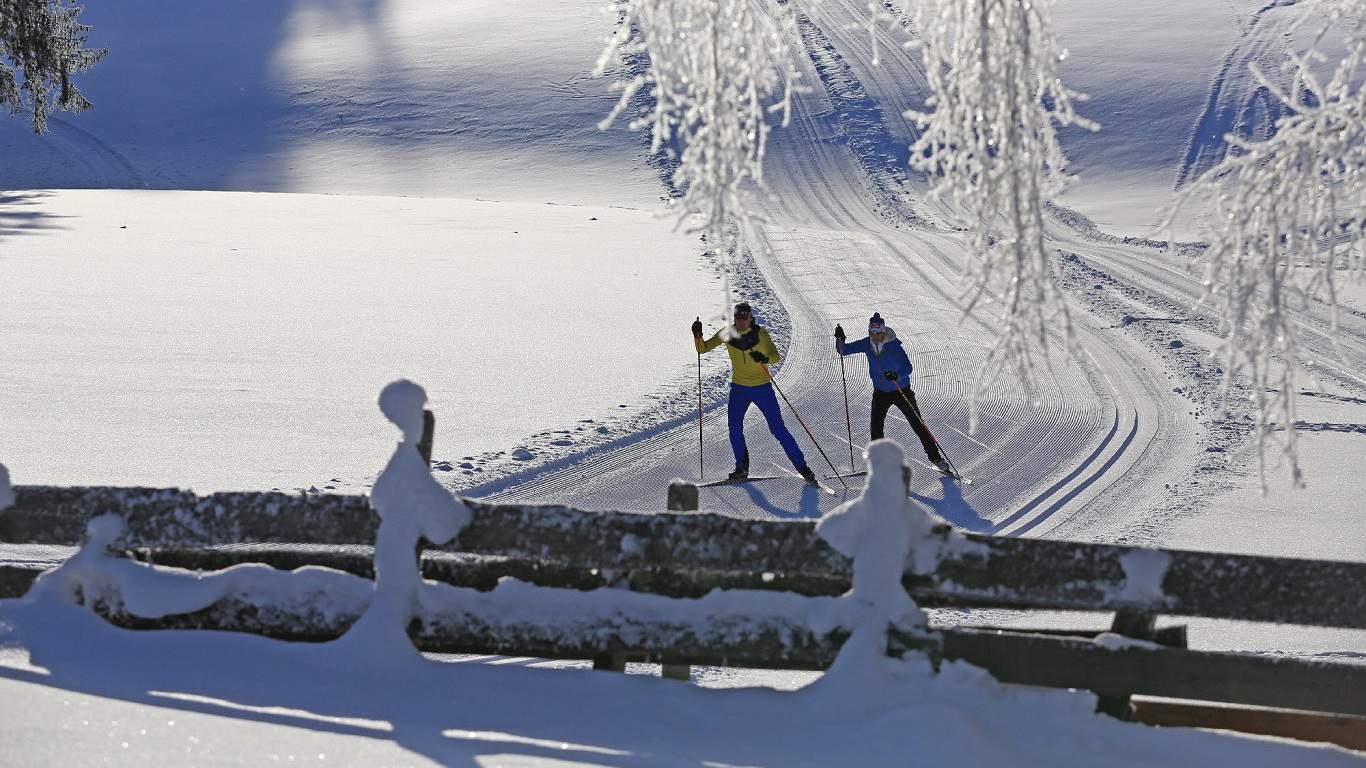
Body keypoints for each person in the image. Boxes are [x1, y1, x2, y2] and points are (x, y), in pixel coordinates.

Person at [693, 302, 818, 484]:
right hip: (739, 388)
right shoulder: (727, 333)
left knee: (777, 429)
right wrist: (697, 334)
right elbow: (702, 349)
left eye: (745, 318)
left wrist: (764, 358)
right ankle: (741, 468)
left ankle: (803, 468)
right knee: (734, 428)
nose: (741, 322)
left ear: (750, 317)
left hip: (762, 388)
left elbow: (775, 356)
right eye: (738, 318)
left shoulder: (760, 334)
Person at [836, 312, 950, 473]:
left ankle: (936, 458)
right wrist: (840, 339)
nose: (875, 336)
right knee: (876, 427)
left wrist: (897, 375)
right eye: (872, 333)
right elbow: (843, 351)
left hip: (900, 390)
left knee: (917, 423)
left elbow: (908, 367)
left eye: (878, 333)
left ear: (884, 331)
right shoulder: (866, 344)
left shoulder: (894, 346)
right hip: (880, 392)